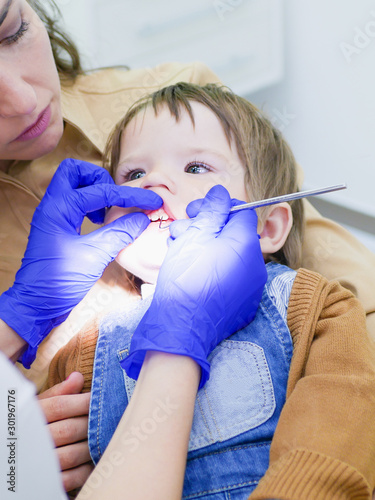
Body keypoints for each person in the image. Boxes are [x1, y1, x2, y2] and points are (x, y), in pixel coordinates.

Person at [1, 0, 374, 493]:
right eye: (134, 174)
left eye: (11, 31)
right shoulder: (87, 351)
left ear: (268, 226)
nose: (154, 181)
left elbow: (330, 459)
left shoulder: (314, 309)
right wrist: (15, 449)